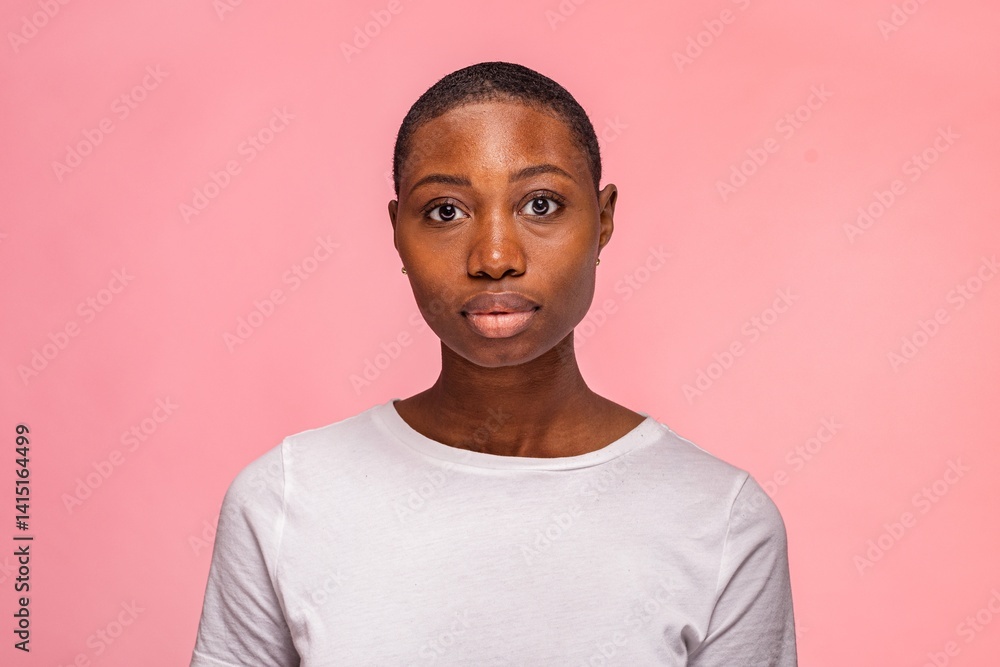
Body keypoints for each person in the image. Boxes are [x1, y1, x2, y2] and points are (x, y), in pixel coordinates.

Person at [190, 61, 797, 666]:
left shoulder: (722, 519)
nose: (495, 257)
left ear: (604, 219)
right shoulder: (285, 497)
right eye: (446, 212)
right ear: (398, 232)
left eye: (540, 204)